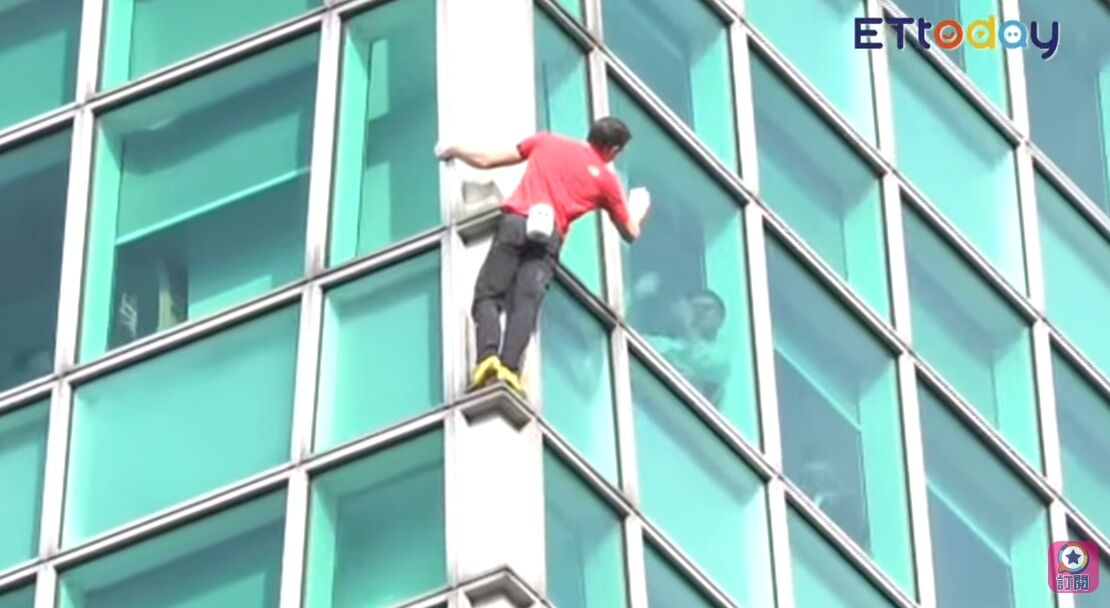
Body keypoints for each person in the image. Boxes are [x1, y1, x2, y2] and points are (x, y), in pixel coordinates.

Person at [437, 117, 650, 394]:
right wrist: (638, 208)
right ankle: (509, 370)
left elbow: (488, 159)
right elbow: (630, 232)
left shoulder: (546, 142)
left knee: (488, 294)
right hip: (550, 237)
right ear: (613, 150)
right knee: (525, 304)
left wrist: (453, 149)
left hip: (516, 223)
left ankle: (487, 358)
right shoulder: (606, 182)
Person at [630, 272, 730, 403]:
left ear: (720, 319)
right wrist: (635, 296)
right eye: (694, 307)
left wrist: (688, 327)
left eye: (706, 308)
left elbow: (702, 361)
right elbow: (624, 341)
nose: (699, 312)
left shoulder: (719, 356)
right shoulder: (664, 344)